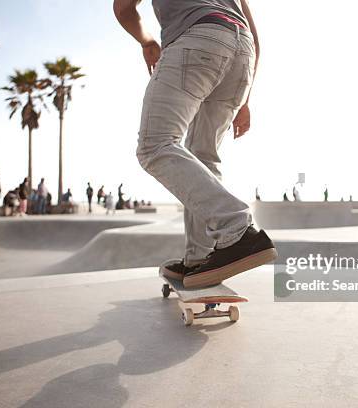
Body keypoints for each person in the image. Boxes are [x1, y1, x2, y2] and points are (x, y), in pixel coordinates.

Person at [115, 0, 277, 288]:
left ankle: (238, 229)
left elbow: (123, 8)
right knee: (204, 156)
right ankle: (200, 258)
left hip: (198, 39)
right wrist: (246, 98)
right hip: (243, 53)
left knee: (155, 144)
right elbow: (254, 32)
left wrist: (147, 41)